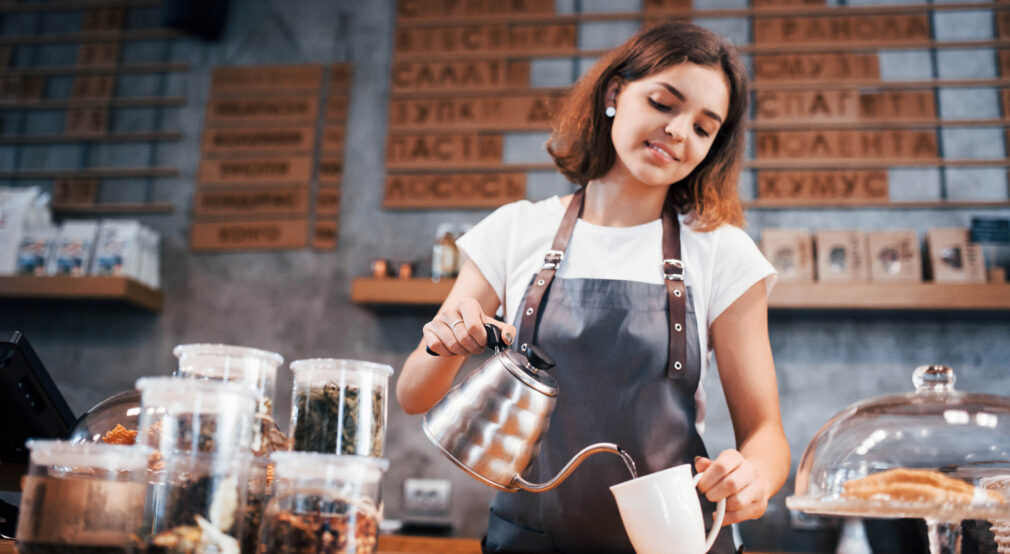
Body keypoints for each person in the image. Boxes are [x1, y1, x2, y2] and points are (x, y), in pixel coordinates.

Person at [396, 21, 789, 554]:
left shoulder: (722, 251)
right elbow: (414, 393)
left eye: (703, 127)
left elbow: (765, 431)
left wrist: (755, 479)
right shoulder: (516, 229)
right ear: (614, 94)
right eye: (663, 103)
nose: (678, 131)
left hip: (672, 542)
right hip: (530, 542)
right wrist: (446, 341)